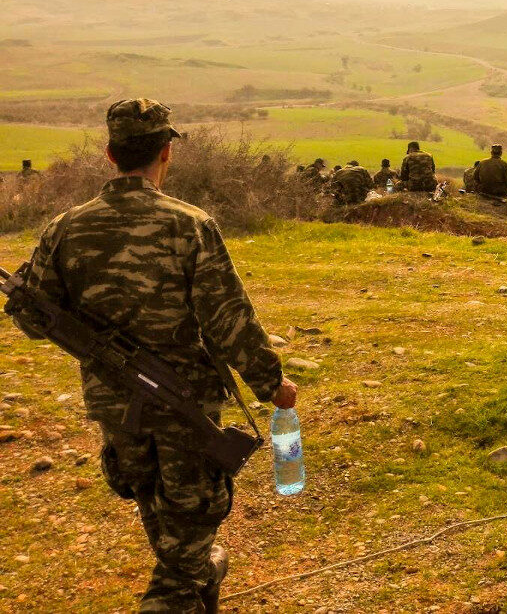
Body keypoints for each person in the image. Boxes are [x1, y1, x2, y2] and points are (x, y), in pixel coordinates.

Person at [4, 98, 298, 613]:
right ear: (167, 152)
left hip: (116, 403)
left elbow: (32, 320)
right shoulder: (189, 224)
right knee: (189, 511)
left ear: (110, 155)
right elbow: (227, 318)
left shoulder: (65, 228)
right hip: (186, 401)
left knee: (155, 502)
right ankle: (179, 590)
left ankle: (197, 572)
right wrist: (271, 383)